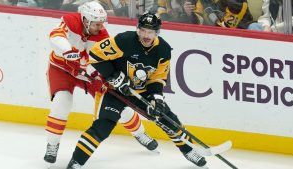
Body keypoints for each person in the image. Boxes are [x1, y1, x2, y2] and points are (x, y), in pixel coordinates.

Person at [66, 12, 207, 169]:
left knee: (168, 120)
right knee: (103, 127)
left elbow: (157, 78)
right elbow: (96, 55)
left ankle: (189, 151)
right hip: (117, 90)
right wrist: (113, 75)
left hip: (143, 92)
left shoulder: (163, 50)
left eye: (151, 32)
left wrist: (157, 98)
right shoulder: (124, 40)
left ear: (156, 32)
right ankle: (77, 161)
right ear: (138, 29)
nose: (146, 35)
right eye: (143, 31)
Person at [44, 1, 158, 167]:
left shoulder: (102, 36)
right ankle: (52, 145)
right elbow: (55, 35)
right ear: (85, 20)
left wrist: (99, 76)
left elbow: (98, 61)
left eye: (102, 23)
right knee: (62, 102)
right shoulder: (70, 20)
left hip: (88, 76)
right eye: (97, 24)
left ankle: (140, 133)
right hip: (61, 69)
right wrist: (67, 50)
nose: (100, 27)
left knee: (119, 107)